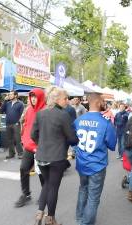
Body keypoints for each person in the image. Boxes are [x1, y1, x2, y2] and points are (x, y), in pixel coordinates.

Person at [31, 86, 79, 225]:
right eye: (65, 98)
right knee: (53, 188)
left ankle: (39, 214)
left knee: (47, 184)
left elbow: (33, 135)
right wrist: (75, 140)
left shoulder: (40, 113)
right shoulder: (63, 114)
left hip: (41, 156)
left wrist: (42, 143)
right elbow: (71, 138)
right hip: (57, 157)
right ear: (57, 99)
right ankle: (50, 219)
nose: (67, 101)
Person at [74, 93, 117, 225]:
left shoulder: (78, 120)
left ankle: (79, 218)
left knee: (83, 189)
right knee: (93, 197)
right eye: (103, 101)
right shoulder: (105, 122)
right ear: (98, 102)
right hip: (97, 165)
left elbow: (72, 141)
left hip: (82, 163)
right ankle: (85, 223)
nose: (105, 103)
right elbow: (112, 145)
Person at [14, 88, 46, 208]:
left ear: (41, 97)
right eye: (31, 96)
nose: (33, 99)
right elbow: (26, 125)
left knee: (41, 172)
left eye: (35, 96)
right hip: (28, 146)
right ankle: (26, 194)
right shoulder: (28, 110)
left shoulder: (45, 111)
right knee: (23, 169)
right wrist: (24, 139)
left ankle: (45, 193)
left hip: (41, 147)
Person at [0, 91, 24, 159]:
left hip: (16, 124)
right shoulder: (7, 103)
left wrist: (19, 122)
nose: (9, 95)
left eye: (11, 94)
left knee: (17, 139)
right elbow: (1, 111)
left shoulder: (20, 104)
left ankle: (20, 153)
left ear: (15, 95)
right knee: (10, 140)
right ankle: (11, 153)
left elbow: (22, 114)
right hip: (8, 124)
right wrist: (4, 101)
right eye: (9, 94)